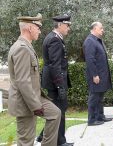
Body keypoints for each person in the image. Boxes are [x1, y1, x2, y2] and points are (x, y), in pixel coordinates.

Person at [8, 13, 61, 146]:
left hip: (33, 97)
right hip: (25, 102)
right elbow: (23, 81)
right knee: (26, 140)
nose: (39, 31)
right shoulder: (21, 49)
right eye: (38, 27)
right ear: (30, 28)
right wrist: (35, 106)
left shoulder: (26, 46)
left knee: (55, 113)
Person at [38, 14, 73, 146]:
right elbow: (55, 65)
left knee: (58, 111)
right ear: (59, 25)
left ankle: (43, 136)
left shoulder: (54, 38)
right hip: (55, 82)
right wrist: (60, 86)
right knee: (60, 111)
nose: (68, 28)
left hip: (53, 81)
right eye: (67, 25)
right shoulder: (54, 40)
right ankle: (60, 142)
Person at [83, 22, 113, 126]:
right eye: (101, 28)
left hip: (101, 75)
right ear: (95, 28)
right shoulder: (90, 41)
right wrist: (94, 75)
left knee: (100, 97)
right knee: (94, 97)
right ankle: (92, 120)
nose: (102, 30)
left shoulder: (97, 40)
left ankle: (100, 116)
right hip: (96, 76)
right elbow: (90, 60)